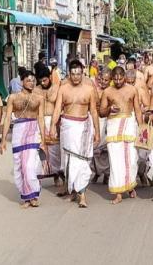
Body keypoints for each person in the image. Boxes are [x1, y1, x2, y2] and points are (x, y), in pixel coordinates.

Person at [50, 60, 100, 208]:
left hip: (83, 127)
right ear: (69, 74)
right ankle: (72, 191)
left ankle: (82, 194)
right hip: (67, 126)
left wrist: (97, 131)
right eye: (73, 74)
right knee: (68, 161)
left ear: (82, 72)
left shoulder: (89, 89)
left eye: (78, 73)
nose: (76, 77)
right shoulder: (63, 89)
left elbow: (94, 111)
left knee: (82, 162)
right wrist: (53, 126)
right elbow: (58, 109)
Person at [0, 70, 46, 208]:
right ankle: (26, 198)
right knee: (19, 166)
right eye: (28, 80)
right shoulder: (13, 98)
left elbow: (41, 118)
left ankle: (34, 195)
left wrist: (43, 140)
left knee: (29, 166)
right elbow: (7, 118)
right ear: (22, 82)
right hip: (18, 134)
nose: (31, 83)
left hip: (32, 132)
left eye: (33, 80)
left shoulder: (39, 98)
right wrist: (3, 140)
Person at [99, 67, 142, 204]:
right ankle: (118, 193)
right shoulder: (107, 92)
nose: (118, 81)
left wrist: (142, 128)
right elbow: (101, 112)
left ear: (124, 76)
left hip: (129, 125)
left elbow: (137, 110)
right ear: (112, 78)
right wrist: (109, 109)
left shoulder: (132, 90)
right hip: (113, 127)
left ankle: (130, 185)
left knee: (131, 159)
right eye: (115, 79)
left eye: (120, 78)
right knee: (115, 160)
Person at [34, 68, 62, 186]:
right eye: (40, 81)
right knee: (39, 150)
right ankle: (39, 177)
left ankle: (57, 176)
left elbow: (58, 107)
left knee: (54, 151)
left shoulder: (56, 88)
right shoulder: (35, 90)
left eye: (45, 80)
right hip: (39, 121)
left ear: (49, 78)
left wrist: (54, 125)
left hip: (52, 120)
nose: (43, 83)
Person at [91, 70, 112, 185]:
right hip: (96, 121)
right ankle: (97, 172)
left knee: (106, 150)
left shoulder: (112, 92)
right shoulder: (95, 91)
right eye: (101, 79)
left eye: (106, 80)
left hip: (108, 121)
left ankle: (107, 174)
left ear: (110, 81)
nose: (103, 82)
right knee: (95, 149)